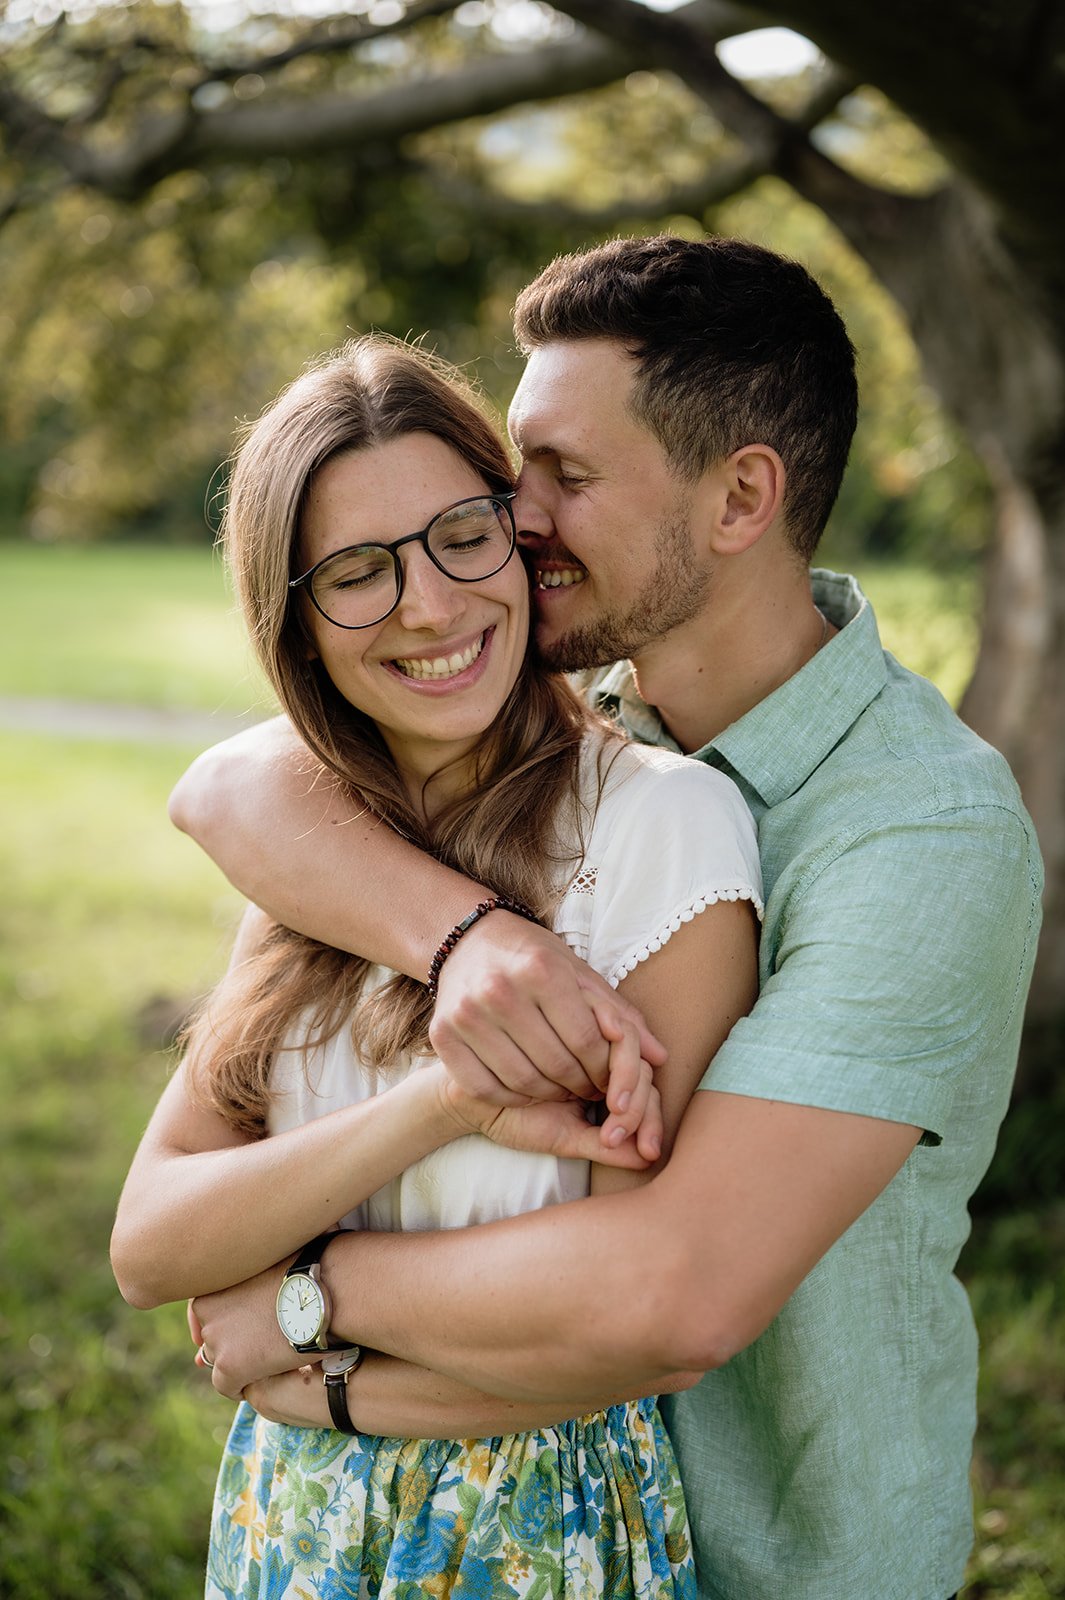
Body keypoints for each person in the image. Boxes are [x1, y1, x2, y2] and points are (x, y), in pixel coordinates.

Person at [167, 237, 1043, 1600]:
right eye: (520, 467)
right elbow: (228, 786)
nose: (513, 516)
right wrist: (465, 935)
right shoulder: (576, 727)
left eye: (565, 475)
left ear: (740, 497)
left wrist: (310, 1300)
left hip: (774, 1568)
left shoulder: (922, 830)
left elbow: (675, 1295)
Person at [110, 333, 766, 1599]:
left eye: (462, 535)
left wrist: (311, 1357)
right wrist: (445, 1103)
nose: (429, 605)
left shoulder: (659, 826)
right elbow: (150, 1244)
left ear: (516, 534)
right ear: (297, 623)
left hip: (536, 1524)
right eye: (358, 572)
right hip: (290, 1526)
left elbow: (630, 1334)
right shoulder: (319, 857)